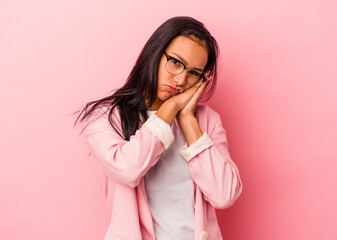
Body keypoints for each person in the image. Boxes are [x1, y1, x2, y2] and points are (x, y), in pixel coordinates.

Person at [74, 16, 242, 240]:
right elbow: (129, 170)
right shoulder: (105, 117)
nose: (181, 80)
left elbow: (224, 195)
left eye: (193, 73)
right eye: (175, 62)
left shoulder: (207, 121)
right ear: (154, 53)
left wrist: (188, 121)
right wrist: (170, 108)